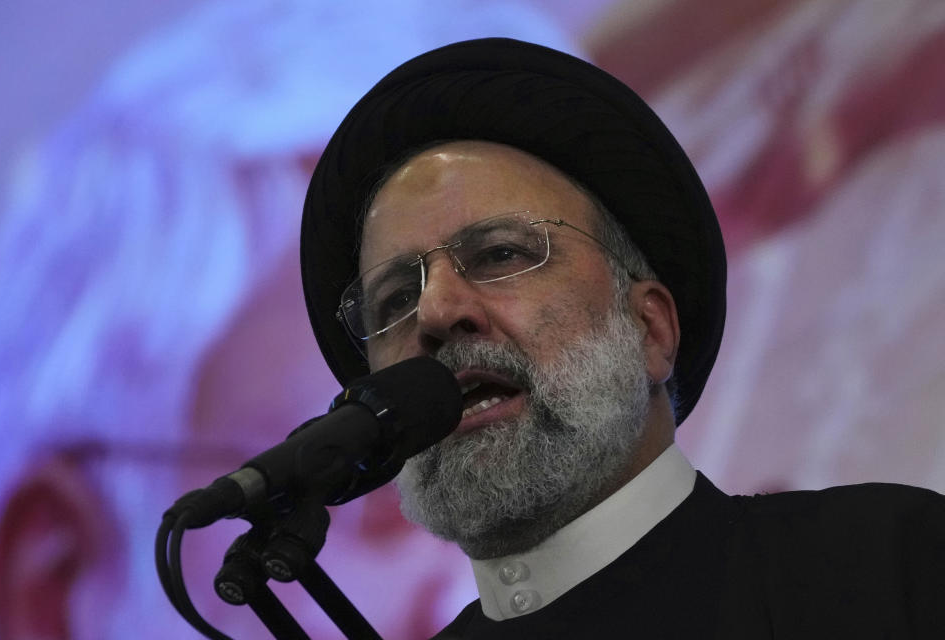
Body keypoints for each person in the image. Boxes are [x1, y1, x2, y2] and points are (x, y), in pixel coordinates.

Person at [299, 38, 945, 638]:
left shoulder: (891, 563)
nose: (436, 310)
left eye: (498, 254)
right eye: (396, 298)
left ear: (649, 328)